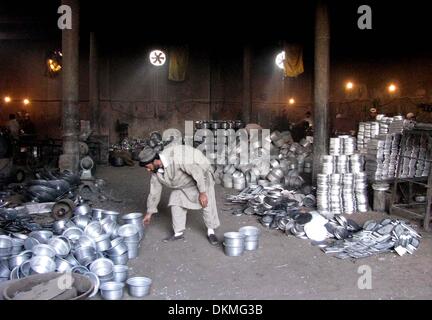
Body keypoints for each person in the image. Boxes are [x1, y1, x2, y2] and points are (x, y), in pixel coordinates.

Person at [140, 144, 220, 246]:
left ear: (155, 161)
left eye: (147, 166)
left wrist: (203, 193)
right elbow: (154, 192)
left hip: (202, 175)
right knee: (175, 198)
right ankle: (178, 232)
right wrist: (149, 213)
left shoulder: (177, 158)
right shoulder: (156, 172)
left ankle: (211, 231)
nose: (147, 170)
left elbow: (197, 172)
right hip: (185, 182)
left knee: (206, 202)